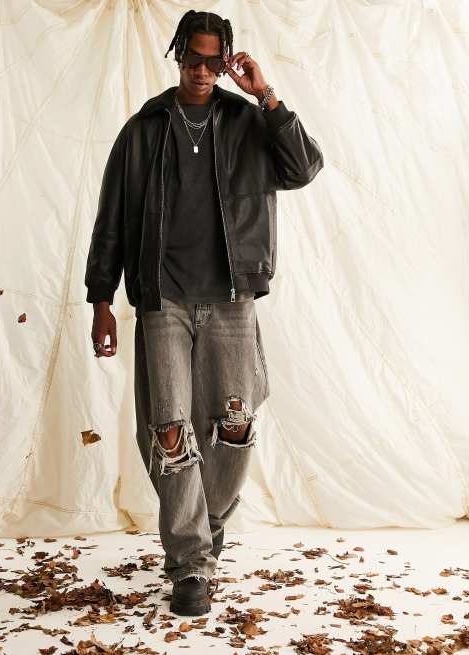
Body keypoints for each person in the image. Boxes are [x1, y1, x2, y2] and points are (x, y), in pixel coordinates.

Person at [84, 9, 324, 616]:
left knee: (234, 426)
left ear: (225, 63)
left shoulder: (248, 122)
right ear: (179, 56)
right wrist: (101, 300)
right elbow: (111, 219)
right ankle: (191, 562)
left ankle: (208, 525)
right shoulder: (143, 130)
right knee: (169, 430)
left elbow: (303, 168)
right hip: (162, 297)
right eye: (192, 59)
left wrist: (265, 95)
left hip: (232, 298)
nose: (200, 71)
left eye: (212, 62)